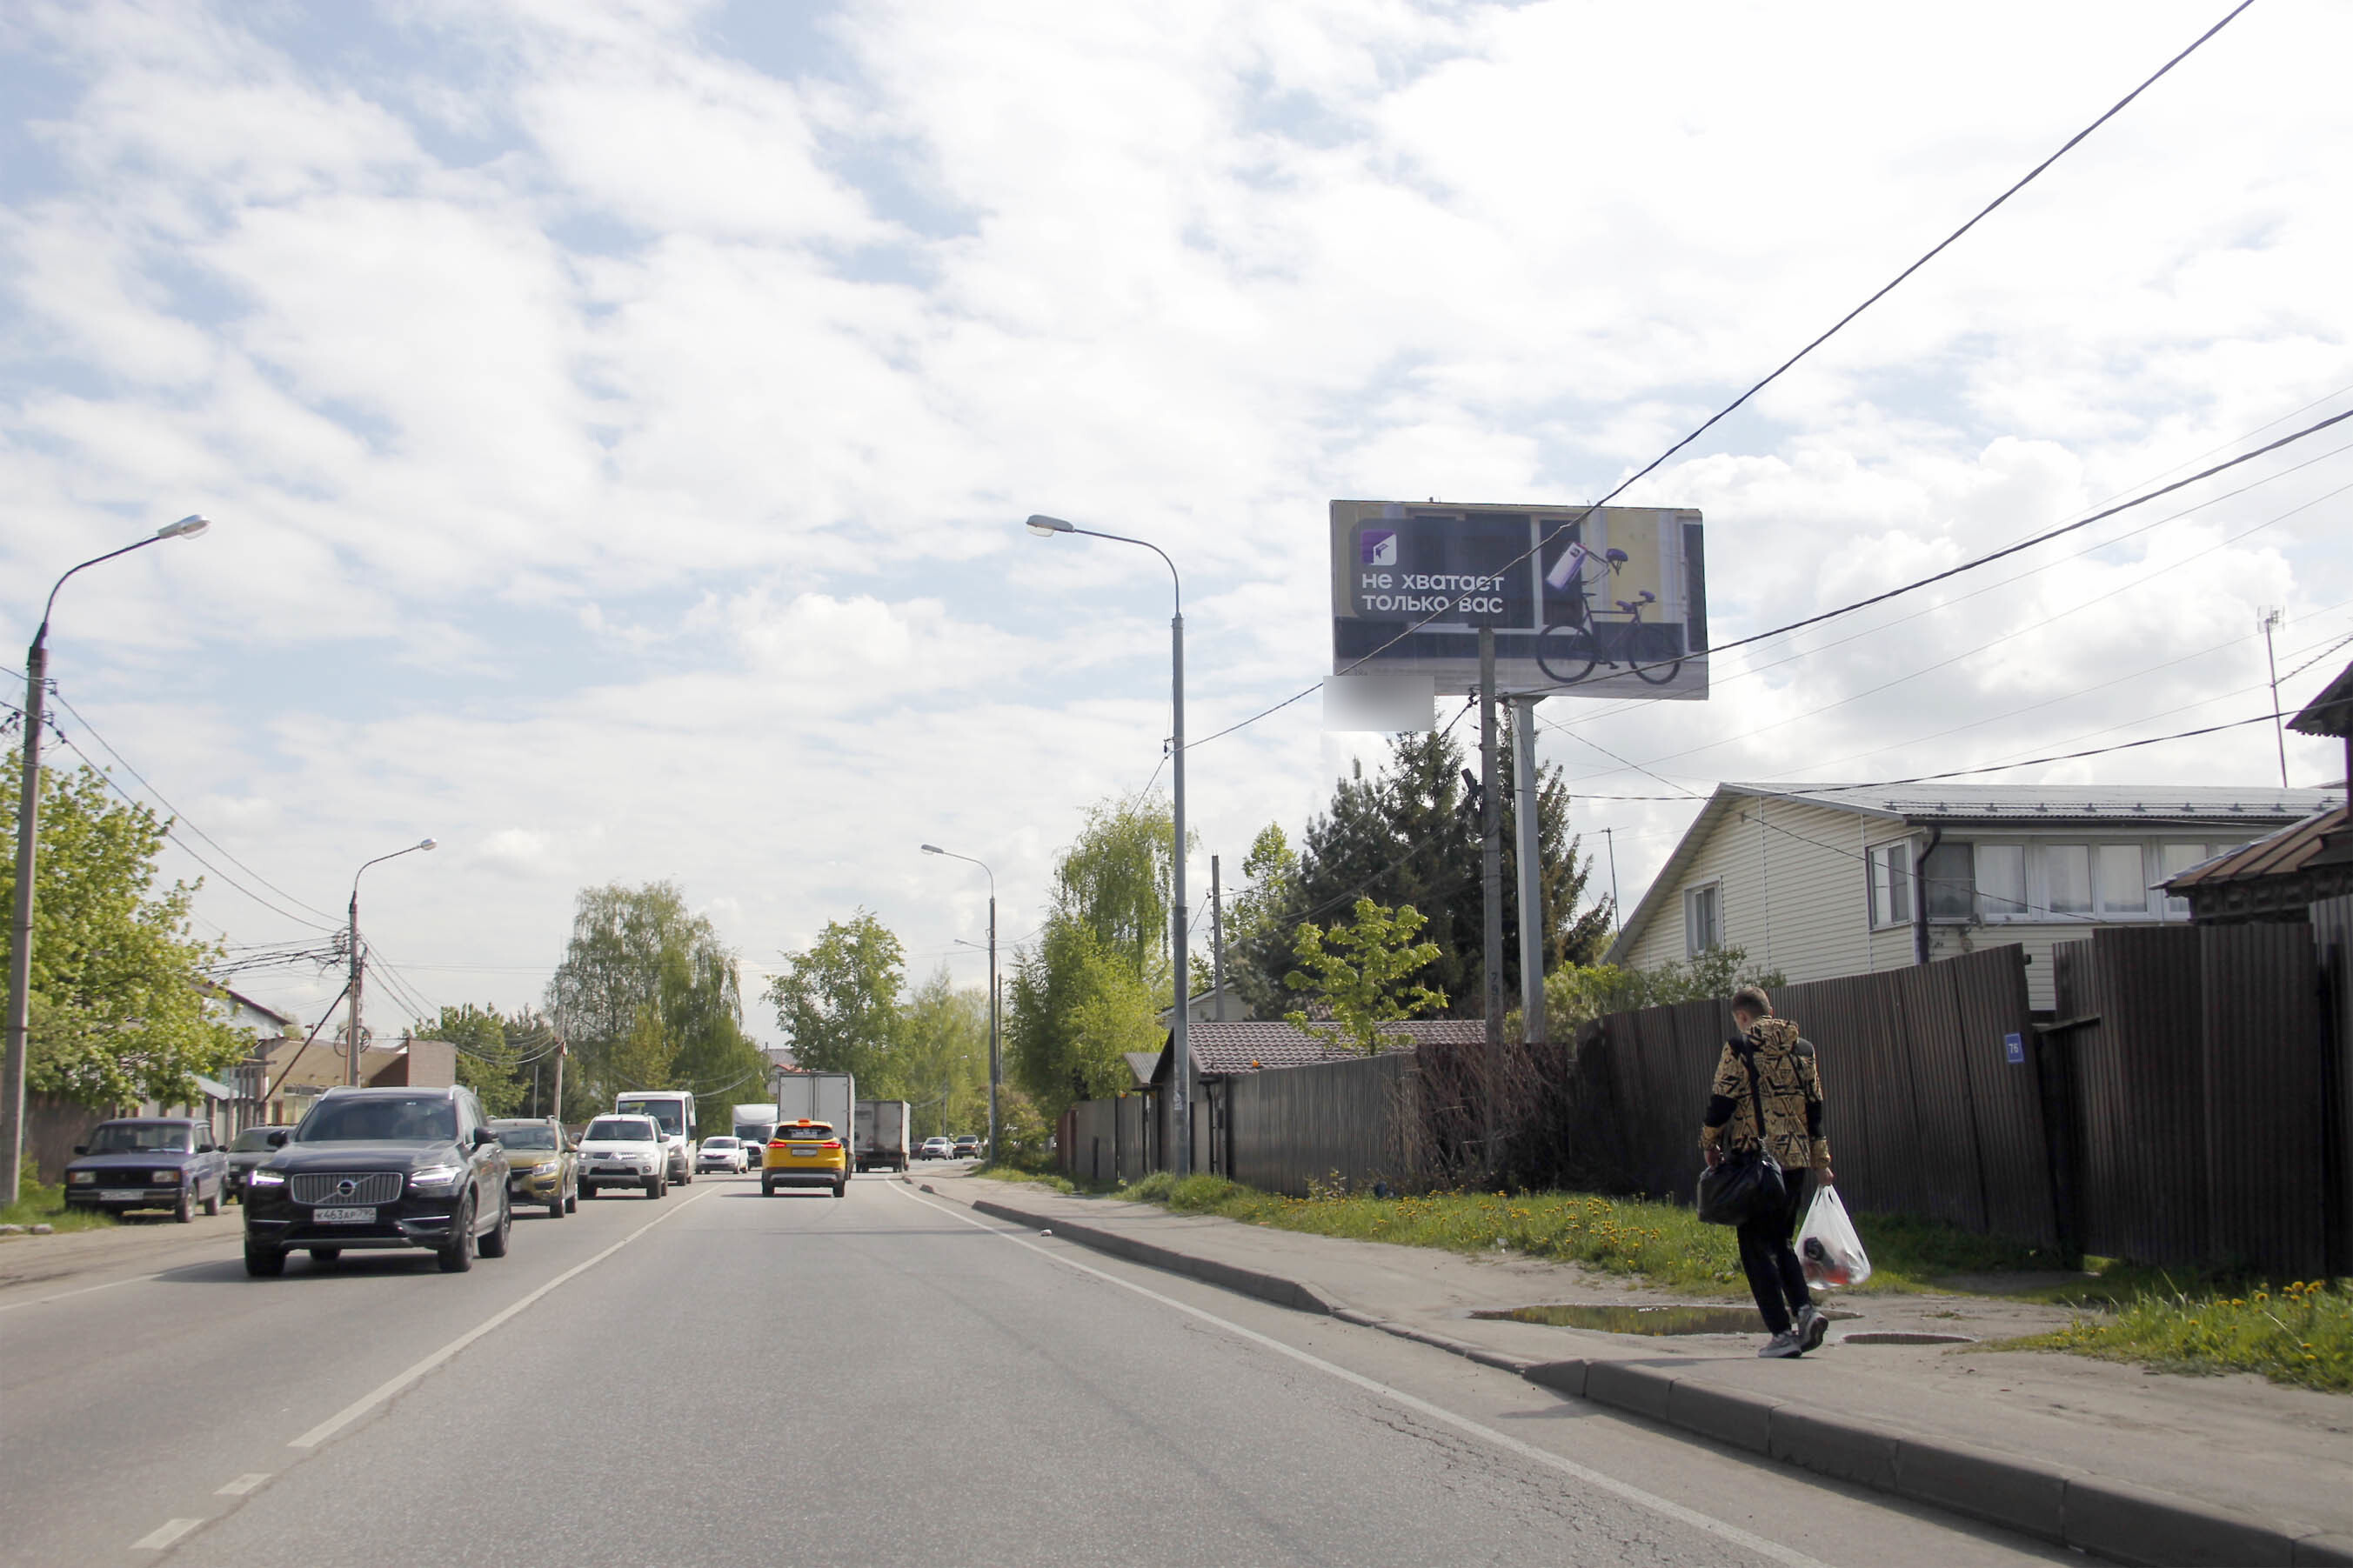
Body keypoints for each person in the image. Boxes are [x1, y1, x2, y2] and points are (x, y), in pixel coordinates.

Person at [1700, 984, 1835, 1358]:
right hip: (1794, 1162)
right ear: (1769, 1010)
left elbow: (1721, 1100)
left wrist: (1708, 1143)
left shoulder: (1741, 1048)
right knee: (1780, 1240)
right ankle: (1806, 1312)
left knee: (1753, 1246)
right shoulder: (1802, 1050)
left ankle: (1780, 1332)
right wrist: (1821, 1162)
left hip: (1756, 1161)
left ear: (1742, 1017)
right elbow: (1815, 1109)